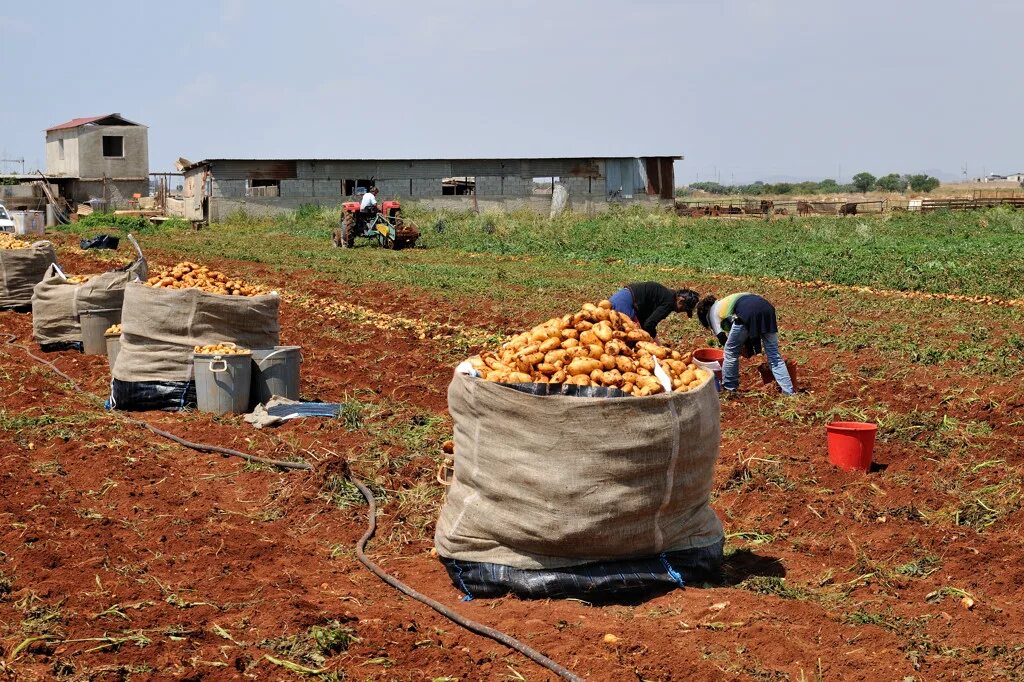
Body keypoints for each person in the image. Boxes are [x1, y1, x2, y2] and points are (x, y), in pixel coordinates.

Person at [695, 292, 794, 395]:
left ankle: (729, 387)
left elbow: (722, 338)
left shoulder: (712, 312)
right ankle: (789, 392)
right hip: (767, 308)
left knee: (730, 352)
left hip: (747, 313)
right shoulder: (726, 301)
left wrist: (738, 348)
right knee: (774, 355)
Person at [609, 282, 699, 339]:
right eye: (684, 309)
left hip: (618, 298)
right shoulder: (669, 302)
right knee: (628, 338)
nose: (680, 312)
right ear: (680, 300)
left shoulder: (666, 295)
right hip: (624, 304)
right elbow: (649, 324)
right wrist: (657, 343)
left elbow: (645, 320)